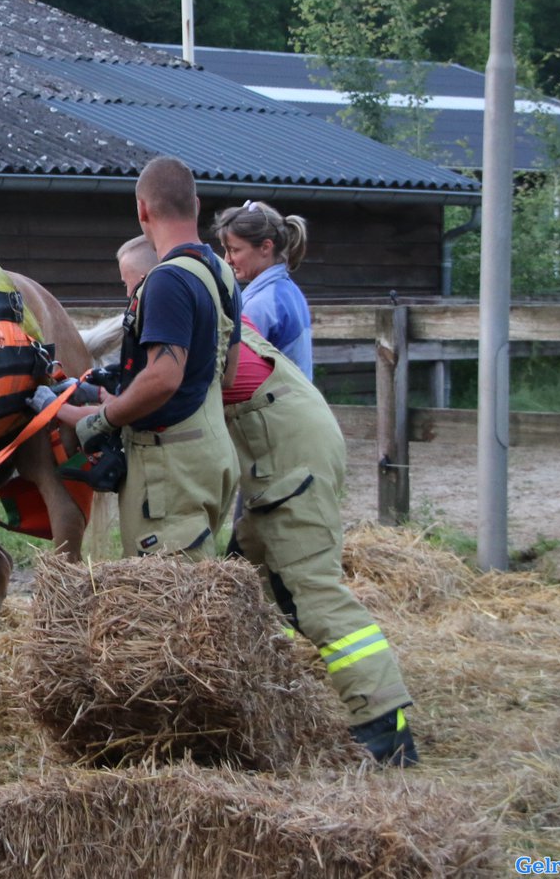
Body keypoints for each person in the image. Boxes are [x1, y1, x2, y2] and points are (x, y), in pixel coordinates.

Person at [120, 238, 418, 765]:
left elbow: (164, 387)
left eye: (130, 288)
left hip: (289, 459)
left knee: (310, 588)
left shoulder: (180, 311)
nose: (131, 301)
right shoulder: (211, 301)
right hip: (277, 455)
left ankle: (386, 725)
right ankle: (262, 704)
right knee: (242, 582)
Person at [54, 156, 242, 559]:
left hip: (169, 466)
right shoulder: (220, 272)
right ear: (196, 204)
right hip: (212, 453)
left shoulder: (167, 279)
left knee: (168, 602)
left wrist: (99, 418)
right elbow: (226, 374)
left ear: (142, 210)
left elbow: (164, 378)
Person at [213, 200, 313, 378]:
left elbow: (237, 371)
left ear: (266, 247)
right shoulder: (288, 291)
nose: (227, 259)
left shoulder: (261, 304)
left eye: (234, 250)